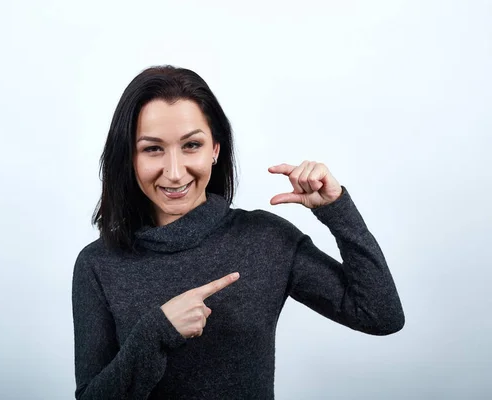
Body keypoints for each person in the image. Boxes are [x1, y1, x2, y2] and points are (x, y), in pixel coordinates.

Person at [71, 65, 405, 399]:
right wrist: (156, 333)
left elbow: (380, 315)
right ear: (128, 157)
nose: (174, 173)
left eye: (191, 145)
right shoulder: (98, 264)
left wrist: (336, 208)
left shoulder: (266, 239)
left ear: (215, 148)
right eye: (152, 149)